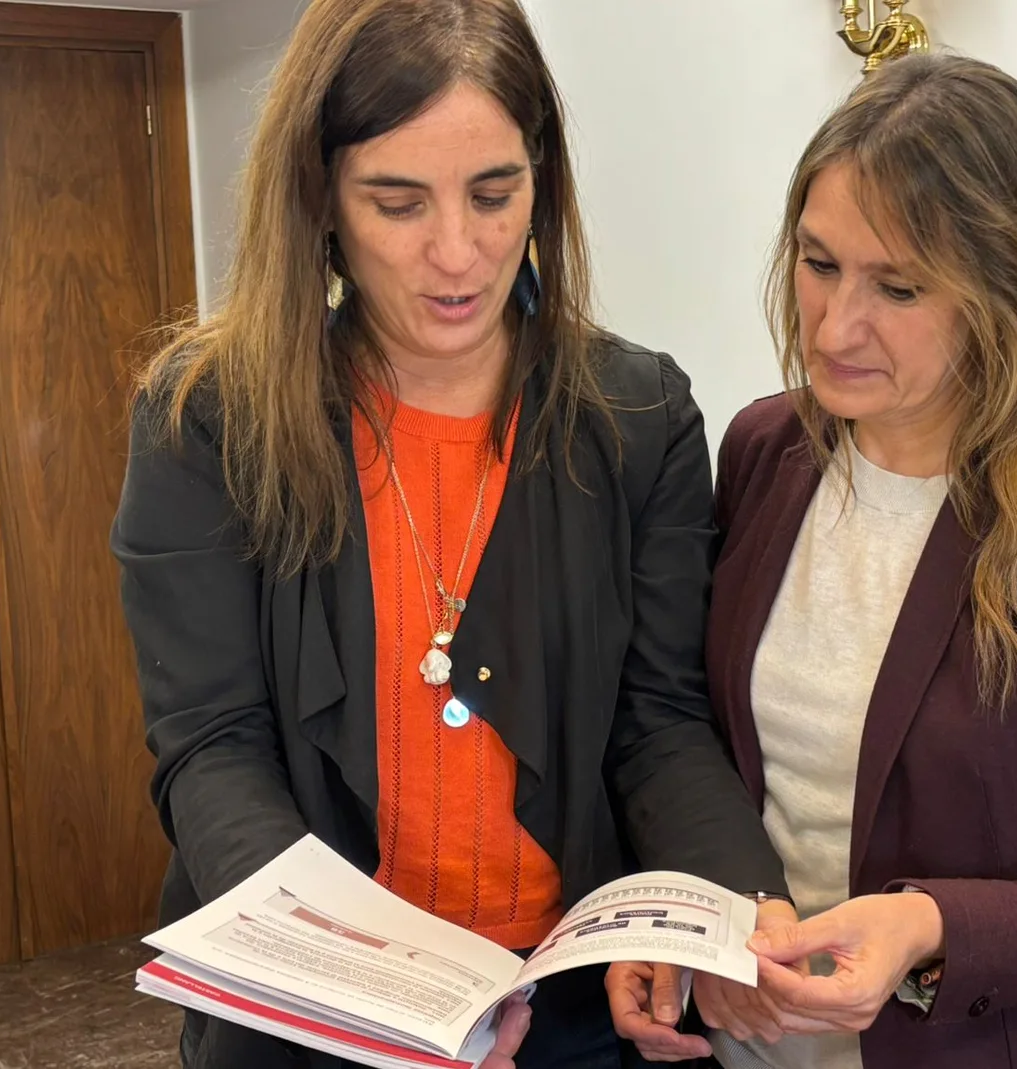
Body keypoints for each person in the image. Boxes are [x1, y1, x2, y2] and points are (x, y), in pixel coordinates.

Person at [110, 2, 790, 1066]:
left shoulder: (637, 415)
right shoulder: (209, 420)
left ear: (541, 184)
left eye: (494, 194)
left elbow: (657, 722)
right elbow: (213, 747)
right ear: (320, 198)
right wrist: (372, 995)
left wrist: (737, 905)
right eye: (398, 203)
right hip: (315, 1007)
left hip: (575, 1007)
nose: (457, 253)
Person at [608, 52, 1017, 1069]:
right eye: (818, 263)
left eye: (898, 286)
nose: (838, 325)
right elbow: (699, 743)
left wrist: (926, 926)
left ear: (1002, 289)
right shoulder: (763, 450)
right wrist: (683, 922)